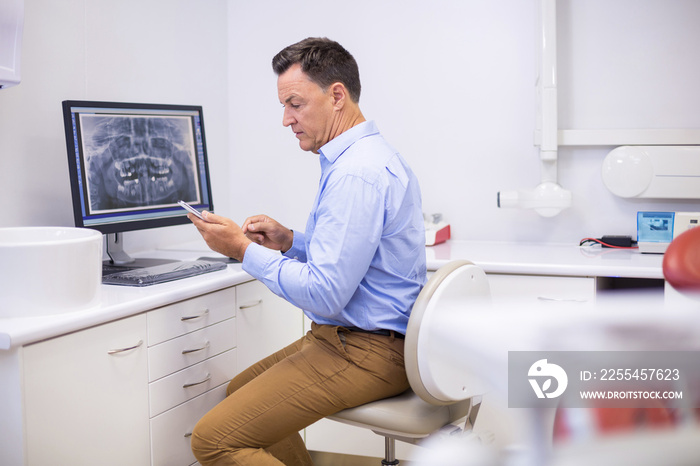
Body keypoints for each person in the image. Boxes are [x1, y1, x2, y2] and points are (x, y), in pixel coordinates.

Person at [188, 37, 427, 466]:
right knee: (237, 392)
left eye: (295, 104)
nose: (286, 119)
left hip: (365, 352)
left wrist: (243, 250)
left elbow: (325, 294)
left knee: (213, 440)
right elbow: (353, 259)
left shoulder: (357, 173)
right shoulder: (362, 157)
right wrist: (289, 242)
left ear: (336, 95)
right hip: (355, 340)